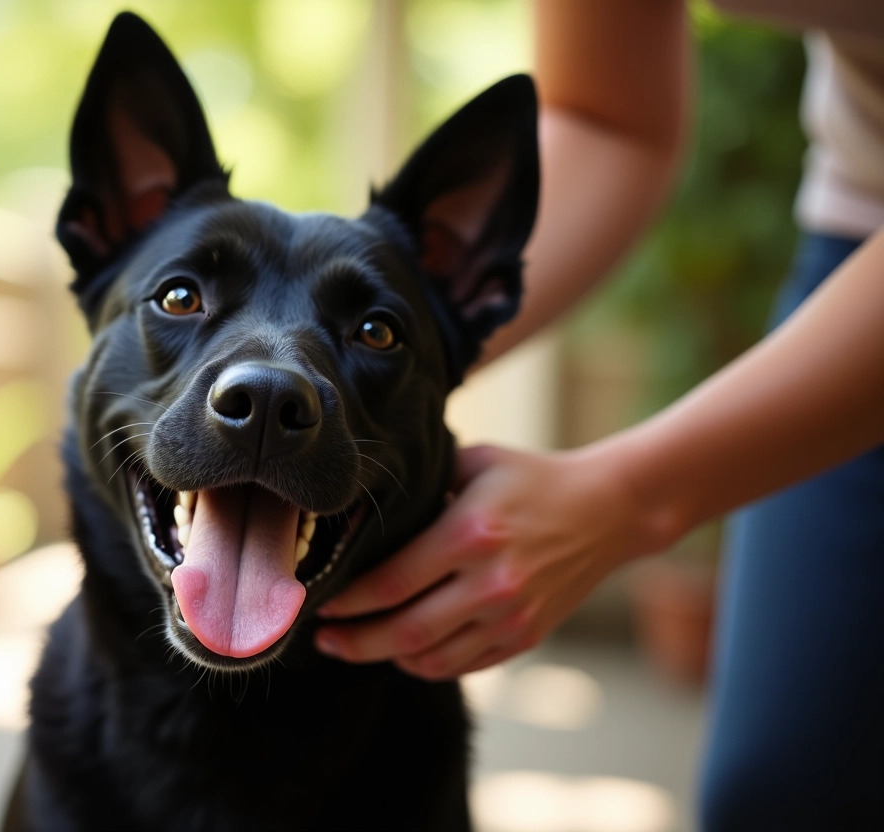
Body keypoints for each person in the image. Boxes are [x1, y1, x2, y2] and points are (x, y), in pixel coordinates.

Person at [313, 1, 884, 828]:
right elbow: (606, 118)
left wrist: (633, 495)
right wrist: (385, 340)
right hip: (861, 219)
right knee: (787, 791)